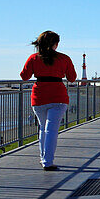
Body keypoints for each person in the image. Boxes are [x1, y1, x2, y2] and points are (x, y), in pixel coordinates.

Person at [20, 30, 77, 170]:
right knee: (51, 129)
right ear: (55, 44)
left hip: (39, 97)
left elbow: (24, 76)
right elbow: (72, 78)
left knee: (43, 128)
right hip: (58, 97)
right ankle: (47, 161)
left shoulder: (33, 58)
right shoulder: (64, 58)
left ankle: (43, 158)